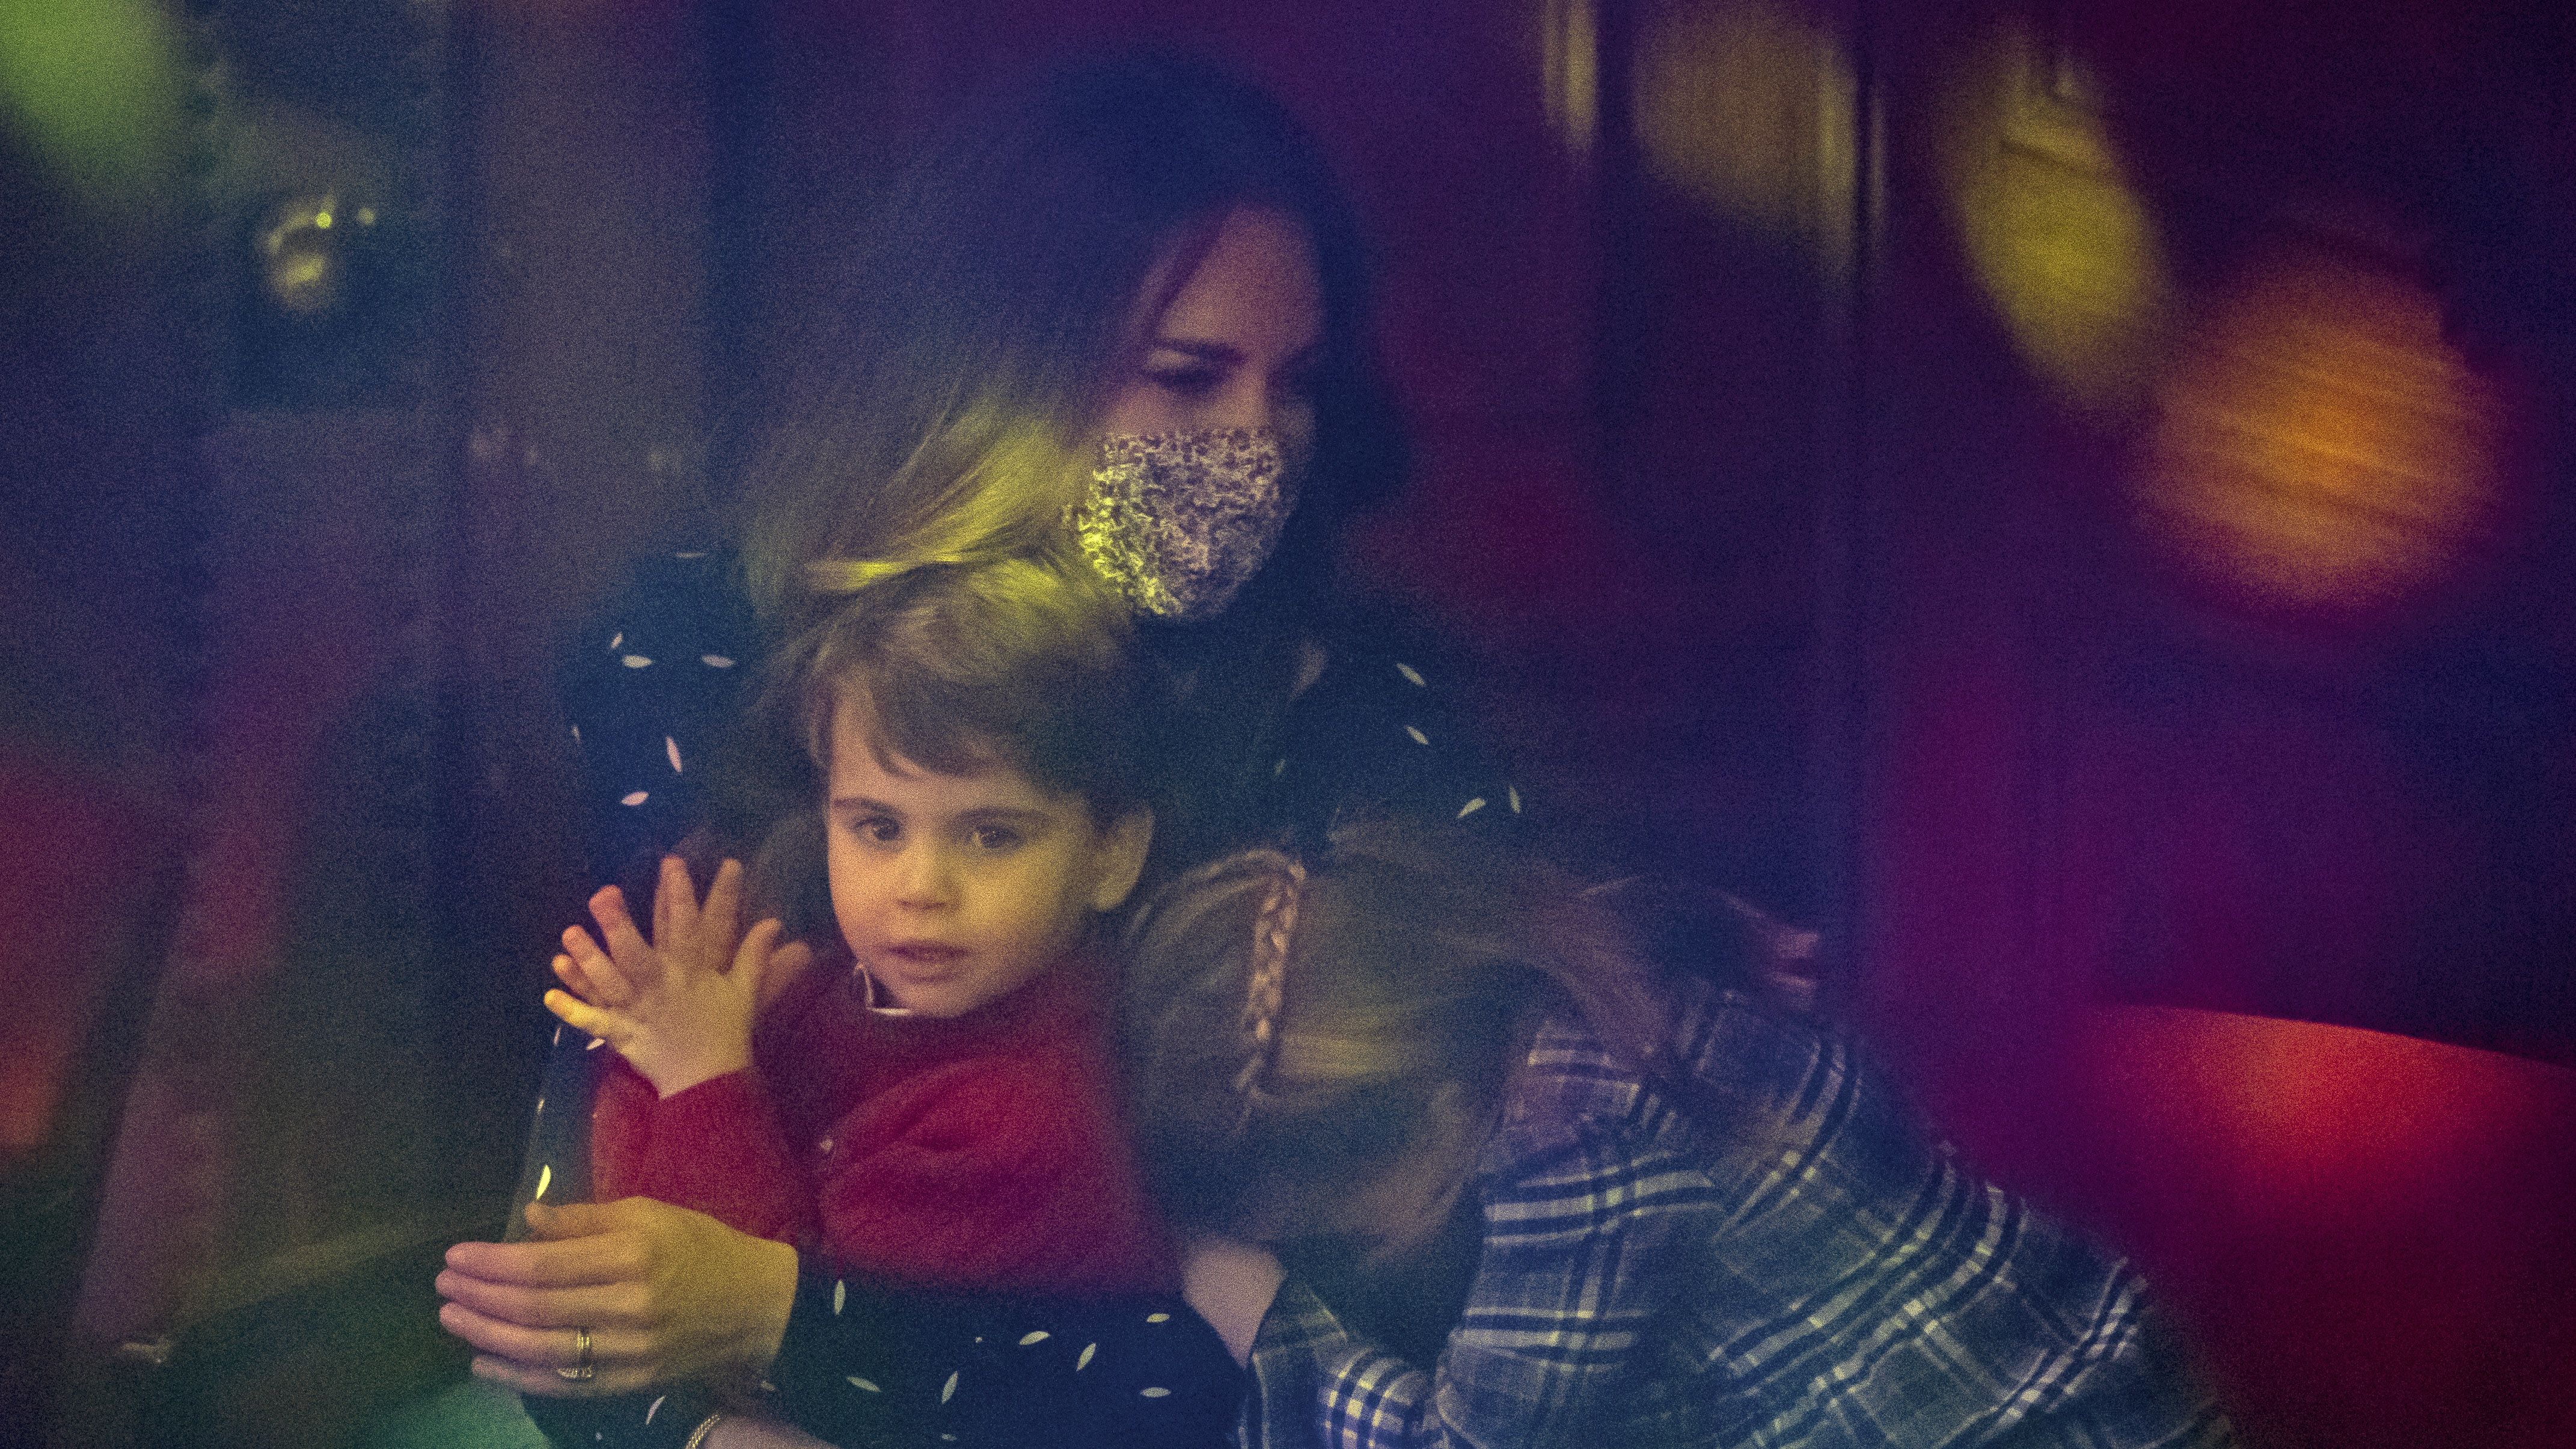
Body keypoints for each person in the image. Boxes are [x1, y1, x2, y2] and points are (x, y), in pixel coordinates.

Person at [441, 52, 1523, 1448]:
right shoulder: (711, 640)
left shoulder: (1368, 715)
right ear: (998, 370)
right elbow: (588, 1252)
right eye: (1186, 376)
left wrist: (786, 1316)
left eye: (1298, 384)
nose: (1255, 440)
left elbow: (1350, 1358)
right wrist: (705, 1431)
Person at [1122, 818, 2243, 1448]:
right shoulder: (1583, 972)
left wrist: (1263, 1309)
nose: (1338, 1247)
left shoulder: (1567, 1145)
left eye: (1328, 1224)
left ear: (1423, 1109)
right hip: (2085, 1379)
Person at [520, 557, 1240, 1448]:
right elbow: (629, 1226)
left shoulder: (1028, 1117)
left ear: (1110, 856)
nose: (920, 887)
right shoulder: (843, 985)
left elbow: (753, 1343)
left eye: (991, 835)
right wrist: (661, 1037)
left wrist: (701, 1077)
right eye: (878, 827)